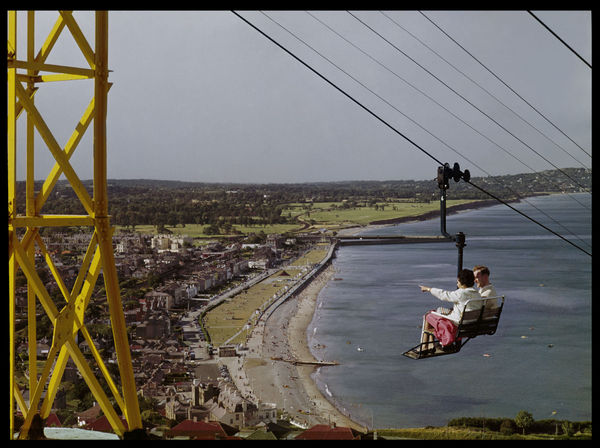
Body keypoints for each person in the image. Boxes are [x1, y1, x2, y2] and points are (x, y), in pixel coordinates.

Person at [418, 269, 483, 349]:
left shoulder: (461, 293)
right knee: (439, 311)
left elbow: (444, 295)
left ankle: (425, 346)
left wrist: (429, 289)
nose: (457, 283)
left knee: (428, 315)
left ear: (462, 282)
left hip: (458, 324)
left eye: (458, 281)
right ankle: (429, 345)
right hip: (472, 324)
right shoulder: (477, 294)